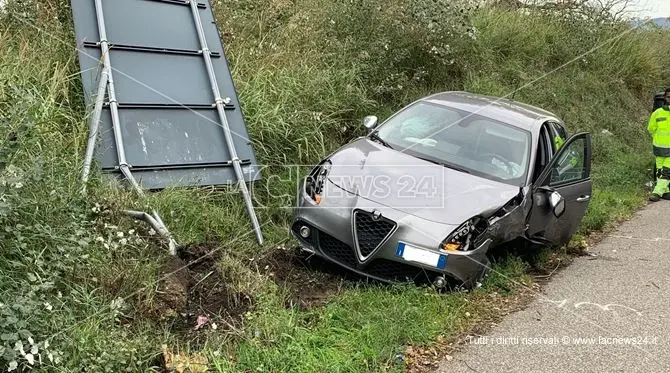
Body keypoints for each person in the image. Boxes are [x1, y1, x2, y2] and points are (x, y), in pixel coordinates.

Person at [648, 88, 670, 202]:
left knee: (667, 171)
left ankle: (656, 192)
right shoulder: (657, 113)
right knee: (660, 171)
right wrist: (657, 139)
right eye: (668, 97)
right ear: (665, 98)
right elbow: (651, 129)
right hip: (659, 148)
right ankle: (665, 192)